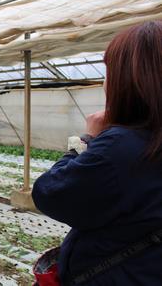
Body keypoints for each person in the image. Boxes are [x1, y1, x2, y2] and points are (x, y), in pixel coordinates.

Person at [32, 21, 162, 285]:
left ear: (129, 78)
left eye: (109, 71)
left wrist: (85, 139)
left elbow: (49, 193)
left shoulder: (121, 147)